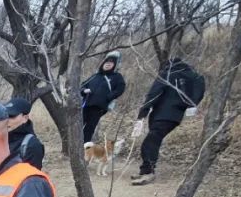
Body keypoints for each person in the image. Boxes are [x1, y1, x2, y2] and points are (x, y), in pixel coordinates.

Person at [130, 57, 206, 186]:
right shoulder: (193, 76)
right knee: (154, 139)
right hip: (176, 116)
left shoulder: (167, 74)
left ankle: (148, 172)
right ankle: (145, 170)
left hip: (162, 114)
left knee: (150, 141)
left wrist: (142, 113)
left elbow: (154, 94)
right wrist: (191, 106)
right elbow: (199, 91)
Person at [80, 51, 126, 143]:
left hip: (99, 107)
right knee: (78, 125)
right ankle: (74, 145)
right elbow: (83, 85)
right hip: (86, 105)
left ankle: (84, 147)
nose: (108, 64)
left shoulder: (117, 76)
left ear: (116, 65)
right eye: (106, 62)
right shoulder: (95, 76)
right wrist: (84, 91)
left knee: (89, 129)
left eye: (111, 62)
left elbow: (120, 89)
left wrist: (108, 97)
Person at [4, 98, 45, 170]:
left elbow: (32, 178)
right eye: (5, 115)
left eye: (12, 116)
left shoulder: (32, 145)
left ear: (25, 118)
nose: (7, 120)